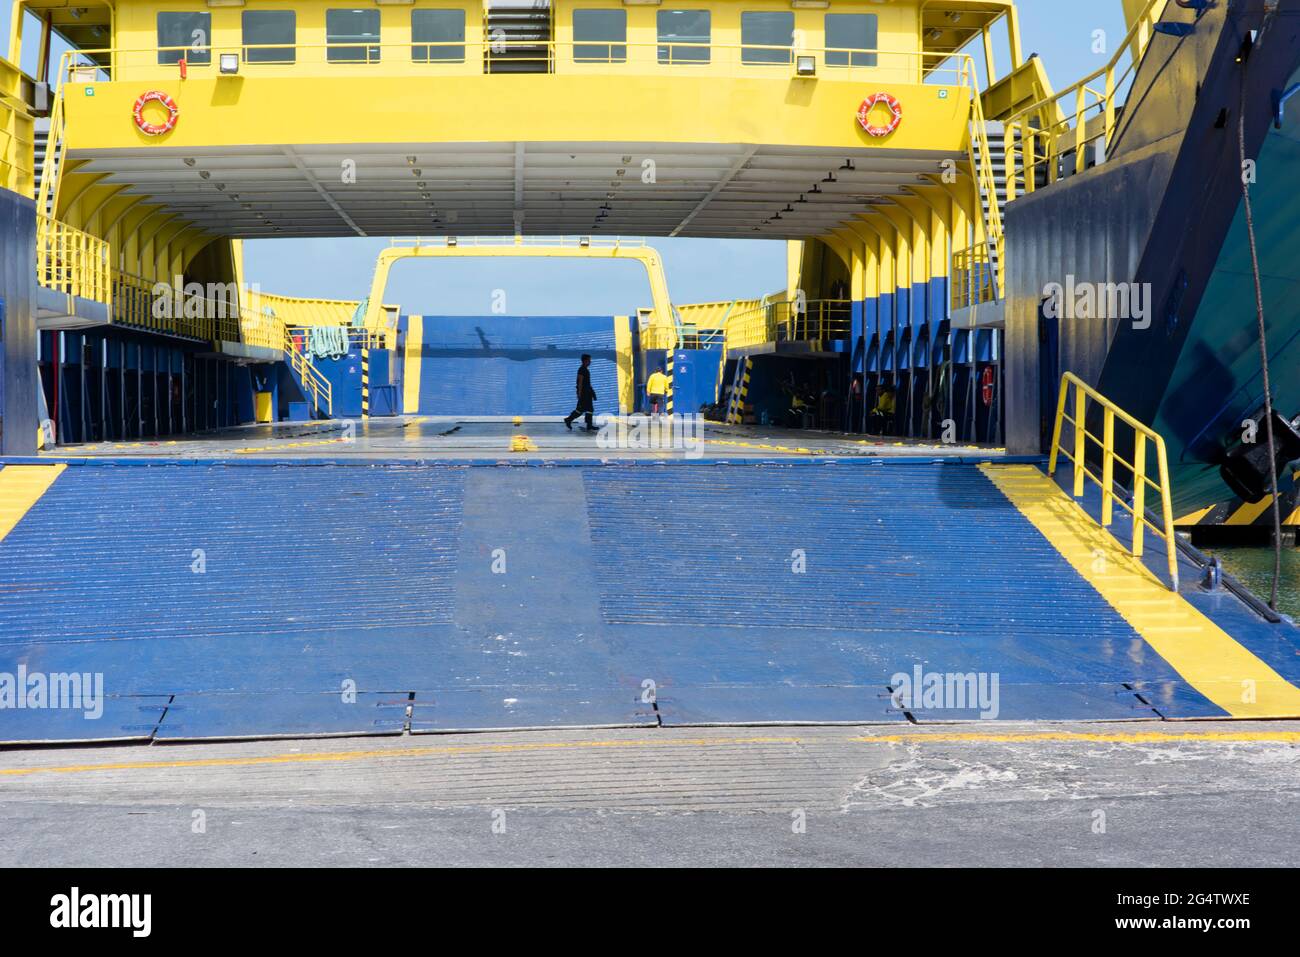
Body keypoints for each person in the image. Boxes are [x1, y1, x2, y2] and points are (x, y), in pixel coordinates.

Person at [564, 354, 598, 431]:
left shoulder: (585, 370)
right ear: (585, 361)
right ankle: (569, 419)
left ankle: (589, 425)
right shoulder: (581, 370)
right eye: (589, 360)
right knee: (580, 410)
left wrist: (592, 393)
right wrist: (579, 393)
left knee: (589, 409)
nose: (590, 362)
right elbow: (580, 382)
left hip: (588, 393)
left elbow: (588, 383)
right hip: (584, 394)